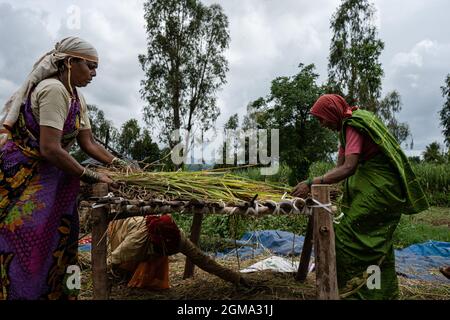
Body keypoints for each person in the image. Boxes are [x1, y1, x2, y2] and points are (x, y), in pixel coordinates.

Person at [0, 36, 128, 300]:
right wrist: (92, 175)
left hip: (53, 181)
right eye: (90, 66)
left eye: (96, 69)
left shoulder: (76, 96)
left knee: (59, 243)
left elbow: (88, 142)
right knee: (27, 245)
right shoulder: (53, 90)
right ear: (70, 62)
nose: (93, 74)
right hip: (23, 182)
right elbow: (50, 148)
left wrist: (119, 165)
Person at [292, 94, 429, 299]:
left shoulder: (353, 125)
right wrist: (325, 184)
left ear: (332, 112)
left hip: (380, 192)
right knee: (375, 244)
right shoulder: (347, 128)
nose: (322, 124)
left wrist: (311, 183)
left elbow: (349, 167)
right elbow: (339, 168)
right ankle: (379, 293)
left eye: (322, 119)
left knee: (345, 240)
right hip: (379, 190)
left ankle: (355, 293)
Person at [108, 214, 248, 289]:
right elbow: (111, 261)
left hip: (151, 246)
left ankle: (145, 282)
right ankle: (124, 280)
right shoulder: (135, 242)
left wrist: (235, 278)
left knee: (155, 262)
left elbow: (202, 260)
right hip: (122, 226)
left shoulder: (178, 238)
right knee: (124, 264)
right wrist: (109, 281)